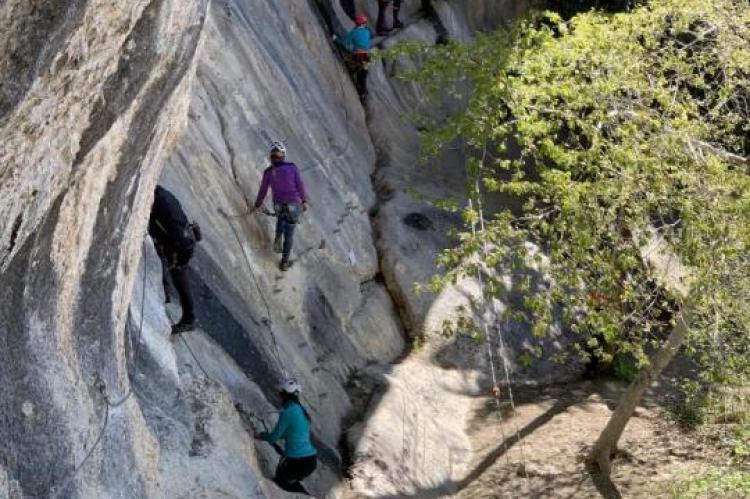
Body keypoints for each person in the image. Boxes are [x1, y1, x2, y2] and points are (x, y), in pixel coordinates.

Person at [252, 141, 308, 271]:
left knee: (281, 217)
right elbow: (300, 185)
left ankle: (277, 236)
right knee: (289, 235)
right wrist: (304, 201)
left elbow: (263, 190)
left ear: (271, 157)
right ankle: (284, 262)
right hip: (293, 205)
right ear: (283, 156)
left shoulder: (268, 172)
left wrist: (257, 204)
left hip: (278, 205)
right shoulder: (292, 167)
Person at [149, 185, 197, 334]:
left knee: (179, 277)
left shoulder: (159, 201)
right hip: (184, 241)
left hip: (181, 245)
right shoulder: (164, 195)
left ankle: (189, 319)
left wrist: (174, 254)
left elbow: (173, 229)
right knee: (172, 270)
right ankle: (166, 294)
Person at [257, 378, 318, 494]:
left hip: (297, 461)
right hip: (310, 460)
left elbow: (274, 437)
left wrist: (262, 436)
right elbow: (291, 434)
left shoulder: (288, 412)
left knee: (280, 483)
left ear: (284, 395)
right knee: (288, 483)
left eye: (281, 395)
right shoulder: (300, 410)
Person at [334, 14, 372, 103]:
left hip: (358, 57)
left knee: (353, 70)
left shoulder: (354, 33)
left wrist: (335, 39)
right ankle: (363, 93)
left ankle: (361, 92)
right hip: (366, 57)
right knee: (363, 76)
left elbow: (344, 43)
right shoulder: (367, 32)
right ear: (364, 24)